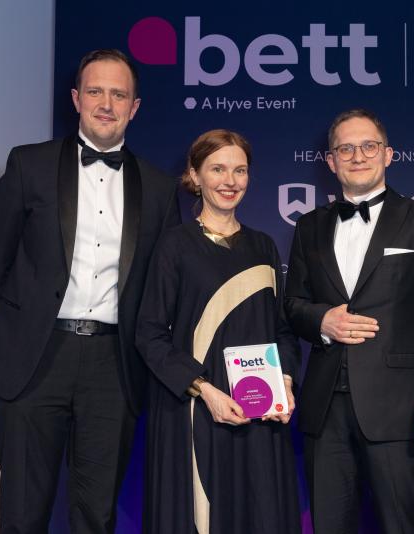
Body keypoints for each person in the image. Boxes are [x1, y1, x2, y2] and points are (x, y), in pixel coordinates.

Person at [0, 49, 180, 533]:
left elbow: (162, 287)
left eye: (118, 94)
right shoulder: (29, 165)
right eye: (95, 91)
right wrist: (24, 324)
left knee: (97, 514)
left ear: (135, 107)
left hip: (115, 366)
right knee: (24, 512)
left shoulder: (160, 188)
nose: (105, 104)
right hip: (32, 360)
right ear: (76, 99)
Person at [284, 109, 414, 533]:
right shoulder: (308, 227)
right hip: (324, 407)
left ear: (388, 155)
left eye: (369, 146)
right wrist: (322, 320)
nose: (358, 156)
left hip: (399, 410)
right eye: (345, 148)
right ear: (330, 161)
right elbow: (292, 306)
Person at [136, 129, 301, 534]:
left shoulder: (264, 247)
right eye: (218, 169)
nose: (230, 181)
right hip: (197, 415)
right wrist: (205, 391)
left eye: (239, 170)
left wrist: (284, 382)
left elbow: (282, 329)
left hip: (260, 418)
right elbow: (149, 334)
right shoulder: (174, 246)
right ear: (194, 176)